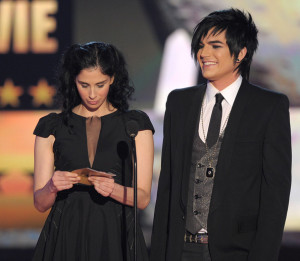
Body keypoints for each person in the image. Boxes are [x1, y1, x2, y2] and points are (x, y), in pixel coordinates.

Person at [150, 8, 291, 261]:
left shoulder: (268, 107)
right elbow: (168, 187)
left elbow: (275, 196)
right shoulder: (179, 103)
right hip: (180, 250)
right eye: (201, 46)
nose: (204, 54)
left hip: (237, 251)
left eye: (215, 46)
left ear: (241, 52)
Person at [32, 42, 154, 261]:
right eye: (84, 84)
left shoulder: (135, 125)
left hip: (116, 232)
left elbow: (143, 198)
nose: (92, 94)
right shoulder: (51, 127)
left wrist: (114, 189)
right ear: (73, 80)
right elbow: (40, 204)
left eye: (100, 84)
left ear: (113, 79)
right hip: (66, 232)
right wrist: (51, 186)